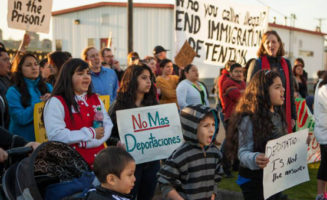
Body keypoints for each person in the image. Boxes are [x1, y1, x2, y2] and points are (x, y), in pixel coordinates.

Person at [226, 70, 287, 200]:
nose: (283, 89)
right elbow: (242, 152)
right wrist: (255, 158)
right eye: (277, 87)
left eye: (282, 86)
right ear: (263, 91)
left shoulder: (277, 114)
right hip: (254, 182)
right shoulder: (248, 118)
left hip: (274, 179)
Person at [44, 58, 113, 167]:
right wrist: (90, 133)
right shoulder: (56, 102)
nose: (86, 77)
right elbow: (56, 136)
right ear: (68, 77)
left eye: (88, 73)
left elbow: (108, 125)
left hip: (100, 163)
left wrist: (91, 143)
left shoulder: (95, 98)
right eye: (80, 74)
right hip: (73, 167)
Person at [108, 64, 159, 200]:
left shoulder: (153, 105)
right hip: (127, 164)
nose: (149, 81)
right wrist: (118, 142)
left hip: (151, 162)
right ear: (131, 80)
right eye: (144, 78)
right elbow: (108, 135)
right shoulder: (117, 106)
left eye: (150, 78)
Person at [157, 104, 223, 200]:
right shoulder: (181, 154)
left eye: (213, 124)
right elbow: (164, 180)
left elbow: (215, 179)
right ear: (192, 128)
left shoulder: (215, 153)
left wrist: (213, 195)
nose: (211, 130)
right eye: (206, 125)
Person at [247, 30, 296, 133]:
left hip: (284, 113)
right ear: (263, 46)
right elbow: (250, 93)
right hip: (264, 115)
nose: (270, 45)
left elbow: (290, 91)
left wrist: (293, 116)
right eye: (267, 42)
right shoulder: (257, 63)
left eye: (273, 42)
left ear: (279, 43)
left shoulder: (286, 63)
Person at [6, 53, 52, 141]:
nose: (34, 68)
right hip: (24, 144)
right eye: (28, 65)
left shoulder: (48, 87)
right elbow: (20, 118)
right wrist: (39, 103)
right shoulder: (13, 91)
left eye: (36, 64)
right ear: (19, 69)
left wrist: (54, 100)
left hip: (46, 142)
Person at [313, 73, 327, 200]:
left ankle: (322, 194)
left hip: (323, 131)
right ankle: (320, 195)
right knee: (325, 165)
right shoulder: (323, 87)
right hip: (325, 132)